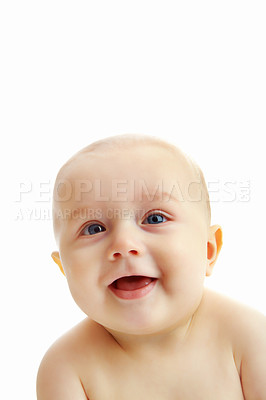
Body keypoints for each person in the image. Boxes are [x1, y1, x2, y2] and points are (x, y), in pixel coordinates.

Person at [37, 134, 266, 399]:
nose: (124, 243)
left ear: (208, 251)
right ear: (64, 267)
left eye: (154, 218)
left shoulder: (249, 337)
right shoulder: (66, 368)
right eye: (93, 228)